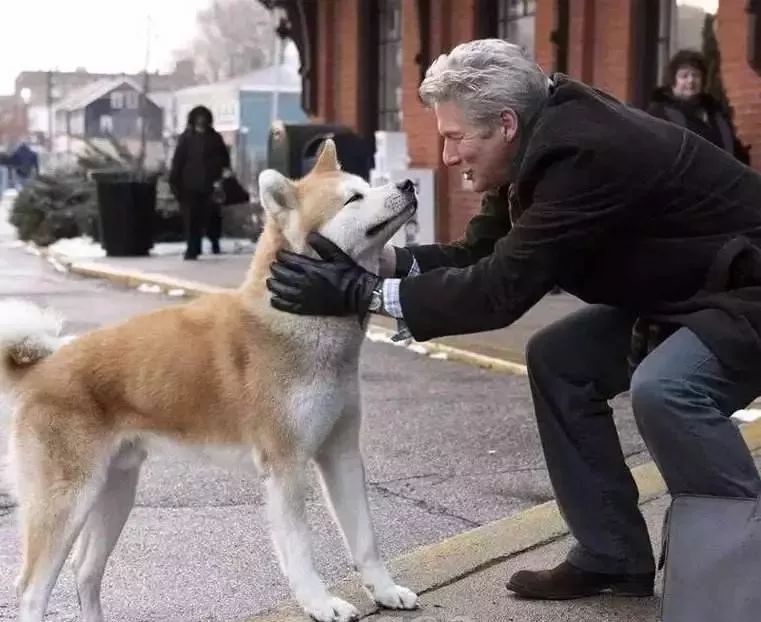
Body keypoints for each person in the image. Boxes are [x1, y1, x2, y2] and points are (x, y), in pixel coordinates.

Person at [265, 39, 761, 601]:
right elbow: (485, 253)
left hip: (747, 294)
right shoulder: (535, 139)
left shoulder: (584, 155)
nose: (449, 157)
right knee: (560, 359)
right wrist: (373, 262)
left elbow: (501, 290)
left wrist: (361, 294)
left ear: (503, 124)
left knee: (668, 389)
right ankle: (612, 555)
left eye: (454, 138)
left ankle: (739, 571)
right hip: (689, 292)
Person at [647, 49, 750, 164]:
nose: (691, 81)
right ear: (673, 81)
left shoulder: (716, 113)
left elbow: (735, 150)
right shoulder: (659, 114)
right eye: (684, 76)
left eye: (695, 75)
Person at [169, 106, 231, 260]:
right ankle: (192, 249)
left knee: (210, 217)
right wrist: (174, 181)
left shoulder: (214, 138)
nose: (201, 120)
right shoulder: (186, 138)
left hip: (210, 185)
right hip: (189, 185)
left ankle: (213, 241)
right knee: (191, 218)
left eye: (203, 117)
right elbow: (178, 160)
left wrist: (221, 175)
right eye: (198, 117)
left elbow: (224, 159)